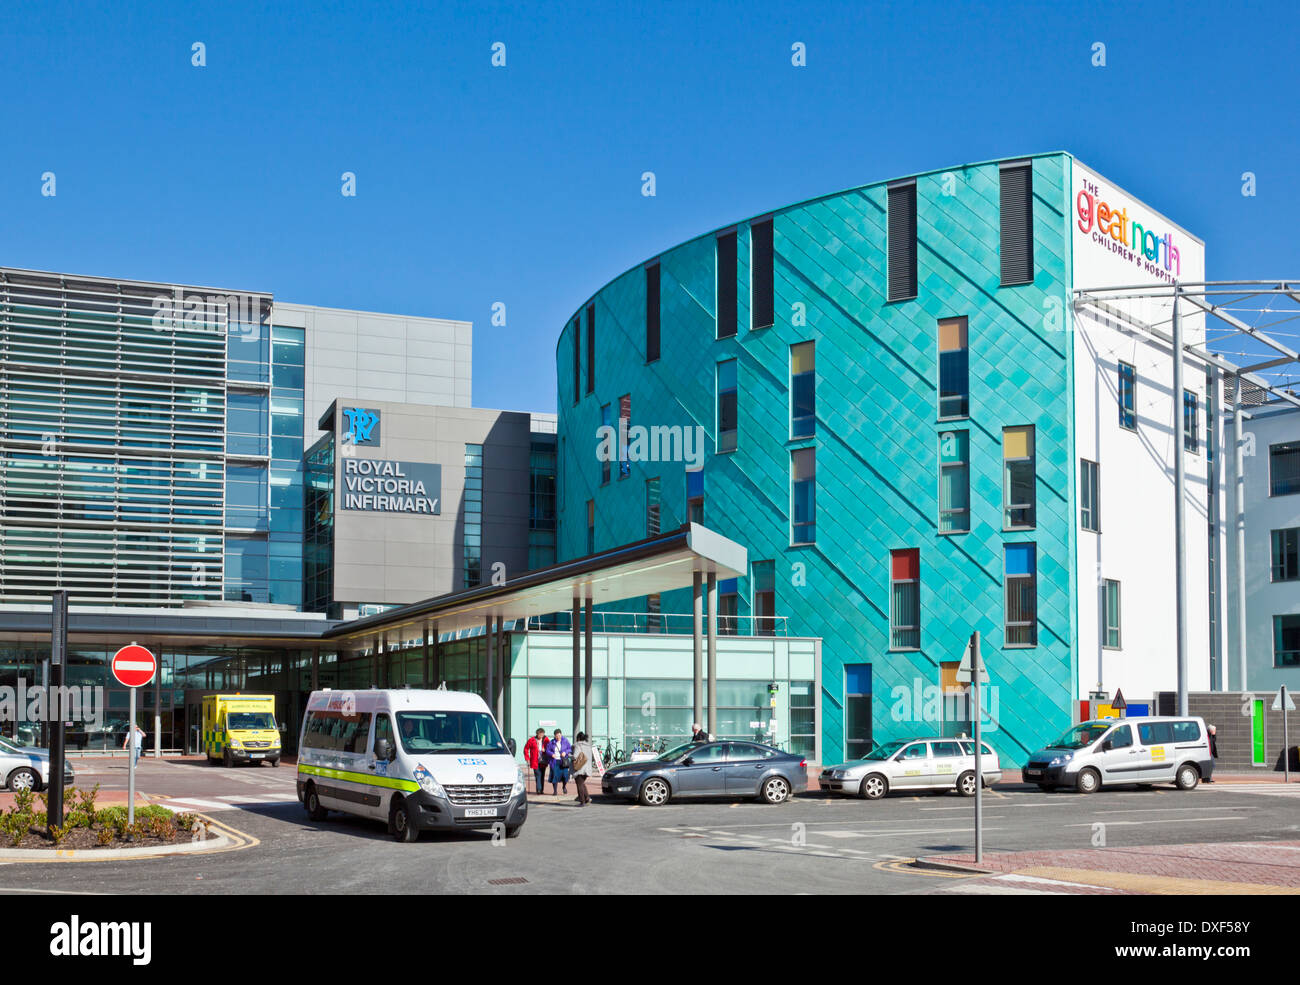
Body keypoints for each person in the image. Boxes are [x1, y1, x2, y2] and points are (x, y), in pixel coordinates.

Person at [571, 731, 596, 806]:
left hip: (580, 768)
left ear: (578, 738)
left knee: (579, 785)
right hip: (587, 768)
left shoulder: (578, 746)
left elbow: (575, 756)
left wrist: (569, 755)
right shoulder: (588, 746)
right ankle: (587, 798)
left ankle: (582, 801)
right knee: (582, 783)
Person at [547, 729, 572, 795]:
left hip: (563, 761)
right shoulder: (552, 742)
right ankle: (555, 791)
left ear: (561, 734)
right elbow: (547, 750)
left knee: (565, 776)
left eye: (559, 735)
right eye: (556, 735)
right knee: (555, 776)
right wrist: (551, 754)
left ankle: (564, 787)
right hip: (555, 762)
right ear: (554, 736)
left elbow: (569, 749)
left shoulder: (565, 741)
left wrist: (565, 752)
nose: (558, 737)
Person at [523, 727, 547, 795]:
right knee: (538, 775)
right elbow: (526, 749)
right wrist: (527, 759)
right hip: (535, 761)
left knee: (542, 775)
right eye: (540, 734)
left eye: (542, 734)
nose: (541, 735)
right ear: (537, 734)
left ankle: (541, 789)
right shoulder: (532, 740)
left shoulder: (546, 739)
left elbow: (550, 748)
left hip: (543, 760)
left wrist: (545, 750)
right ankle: (538, 790)